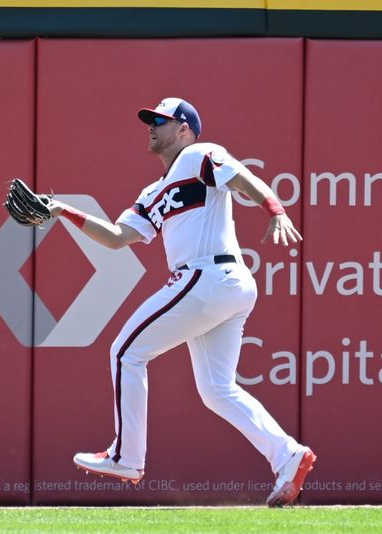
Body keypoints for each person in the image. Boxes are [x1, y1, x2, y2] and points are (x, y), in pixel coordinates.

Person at [47, 97, 315, 507]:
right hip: (224, 285)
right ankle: (288, 454)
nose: (152, 126)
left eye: (162, 121)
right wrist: (64, 211)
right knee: (217, 390)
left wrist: (274, 208)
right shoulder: (153, 191)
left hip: (207, 276)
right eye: (150, 121)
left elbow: (241, 177)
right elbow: (118, 238)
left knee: (125, 352)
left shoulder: (197, 155)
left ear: (185, 129)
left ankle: (126, 456)